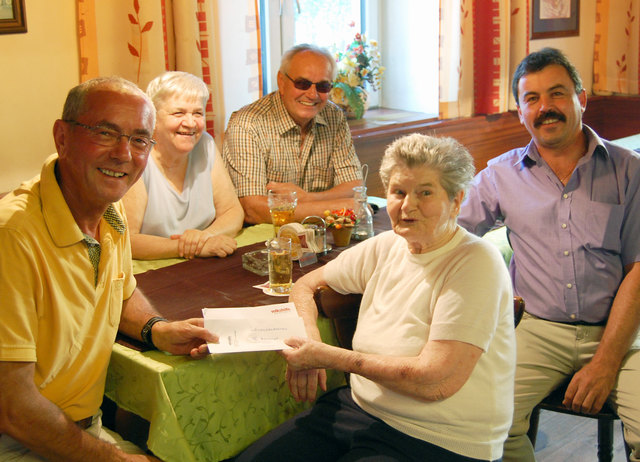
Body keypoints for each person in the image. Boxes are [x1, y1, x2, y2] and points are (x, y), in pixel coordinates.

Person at [232, 134, 515, 462]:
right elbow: (305, 286)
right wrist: (306, 341)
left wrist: (325, 356)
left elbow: (434, 381)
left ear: (456, 200)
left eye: (425, 192)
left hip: (437, 437)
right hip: (360, 409)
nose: (408, 206)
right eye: (398, 192)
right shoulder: (386, 246)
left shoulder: (475, 262)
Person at [0, 76, 218, 461]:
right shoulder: (13, 237)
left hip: (82, 426)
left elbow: (121, 289)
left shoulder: (108, 208)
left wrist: (158, 330)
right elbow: (13, 409)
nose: (124, 154)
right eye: (105, 133)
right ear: (61, 137)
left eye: (138, 140)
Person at [458, 47, 640, 462]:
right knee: (484, 427)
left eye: (557, 94)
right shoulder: (501, 174)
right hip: (537, 330)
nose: (546, 108)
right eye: (532, 99)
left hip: (623, 334)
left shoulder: (630, 171)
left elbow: (639, 270)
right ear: (520, 111)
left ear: (582, 98)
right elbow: (451, 231)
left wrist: (606, 363)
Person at [222, 43, 363, 224]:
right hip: (262, 242)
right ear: (281, 81)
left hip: (319, 237)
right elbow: (253, 210)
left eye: (323, 86)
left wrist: (306, 198)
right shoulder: (247, 125)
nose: (312, 95)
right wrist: (342, 206)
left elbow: (355, 187)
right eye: (302, 84)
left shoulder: (333, 116)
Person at [123, 71, 243, 260]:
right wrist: (189, 247)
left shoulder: (205, 144)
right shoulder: (136, 157)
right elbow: (126, 241)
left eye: (198, 113)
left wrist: (203, 238)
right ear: (152, 118)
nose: (190, 123)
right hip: (152, 273)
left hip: (202, 263)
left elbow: (232, 212)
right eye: (178, 113)